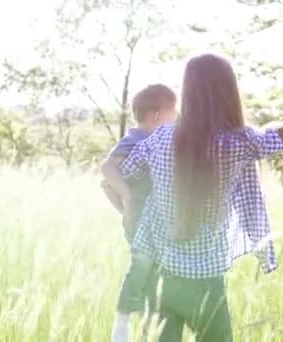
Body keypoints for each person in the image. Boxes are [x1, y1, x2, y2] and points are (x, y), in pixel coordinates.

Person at [103, 53, 283, 341]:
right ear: (227, 90)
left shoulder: (159, 137)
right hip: (205, 283)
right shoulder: (238, 142)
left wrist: (129, 207)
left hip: (160, 277)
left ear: (187, 91)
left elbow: (119, 175)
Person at [100, 84, 178, 342]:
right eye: (173, 112)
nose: (176, 117)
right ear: (158, 116)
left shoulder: (161, 142)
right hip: (139, 218)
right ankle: (123, 317)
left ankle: (148, 329)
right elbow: (107, 168)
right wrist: (127, 196)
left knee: (155, 275)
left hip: (156, 220)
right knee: (142, 262)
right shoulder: (136, 140)